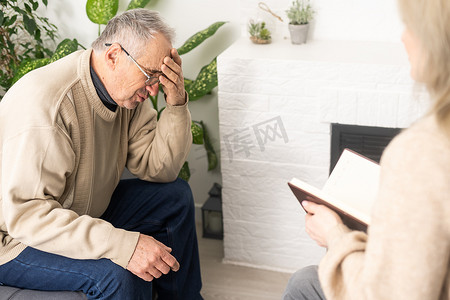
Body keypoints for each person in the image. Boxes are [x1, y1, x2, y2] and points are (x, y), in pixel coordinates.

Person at [0, 9, 203, 300]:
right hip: (16, 238)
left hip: (79, 212)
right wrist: (122, 245)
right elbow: (29, 217)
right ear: (114, 56)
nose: (154, 88)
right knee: (120, 276)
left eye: (159, 77)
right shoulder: (49, 107)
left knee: (175, 196)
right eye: (150, 75)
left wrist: (177, 103)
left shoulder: (126, 96)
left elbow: (160, 168)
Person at [282, 0, 450, 299]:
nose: (403, 38)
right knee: (305, 280)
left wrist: (336, 234)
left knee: (302, 284)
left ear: (436, 39)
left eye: (410, 26)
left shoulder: (422, 151)